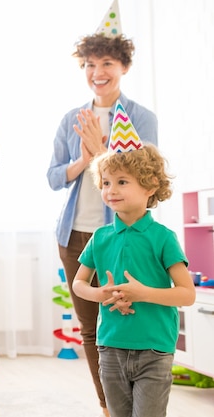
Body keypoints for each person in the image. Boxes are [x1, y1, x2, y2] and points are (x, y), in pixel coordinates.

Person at [46, 4, 157, 415]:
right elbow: (54, 177)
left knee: (124, 324)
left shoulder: (142, 118)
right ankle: (107, 406)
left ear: (123, 66)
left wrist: (103, 155)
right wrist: (85, 158)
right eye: (90, 64)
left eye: (107, 62)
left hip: (123, 234)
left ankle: (138, 401)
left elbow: (147, 177)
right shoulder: (71, 119)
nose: (98, 72)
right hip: (75, 235)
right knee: (91, 330)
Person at [72, 134, 196, 417]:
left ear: (150, 185)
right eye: (106, 182)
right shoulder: (100, 237)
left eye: (122, 181)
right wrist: (98, 294)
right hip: (111, 345)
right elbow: (79, 283)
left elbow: (187, 294)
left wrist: (143, 293)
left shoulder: (163, 238)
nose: (110, 190)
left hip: (154, 348)